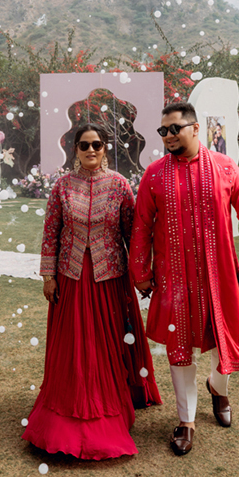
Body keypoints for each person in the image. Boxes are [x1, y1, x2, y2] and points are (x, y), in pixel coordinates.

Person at [23, 123, 161, 459]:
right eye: (84, 145)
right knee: (75, 343)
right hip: (71, 277)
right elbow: (51, 232)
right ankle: (72, 399)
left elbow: (132, 234)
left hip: (109, 278)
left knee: (107, 341)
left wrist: (141, 274)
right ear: (75, 149)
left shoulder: (119, 185)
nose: (90, 150)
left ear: (105, 148)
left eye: (97, 144)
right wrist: (48, 276)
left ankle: (112, 397)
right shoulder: (62, 187)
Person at [130, 101, 239, 456]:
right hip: (174, 279)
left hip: (220, 276)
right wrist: (141, 272)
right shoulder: (154, 174)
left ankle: (218, 387)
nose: (168, 136)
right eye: (163, 131)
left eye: (175, 128)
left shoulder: (224, 167)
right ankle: (186, 421)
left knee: (225, 339)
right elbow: (141, 226)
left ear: (196, 128)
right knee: (179, 347)